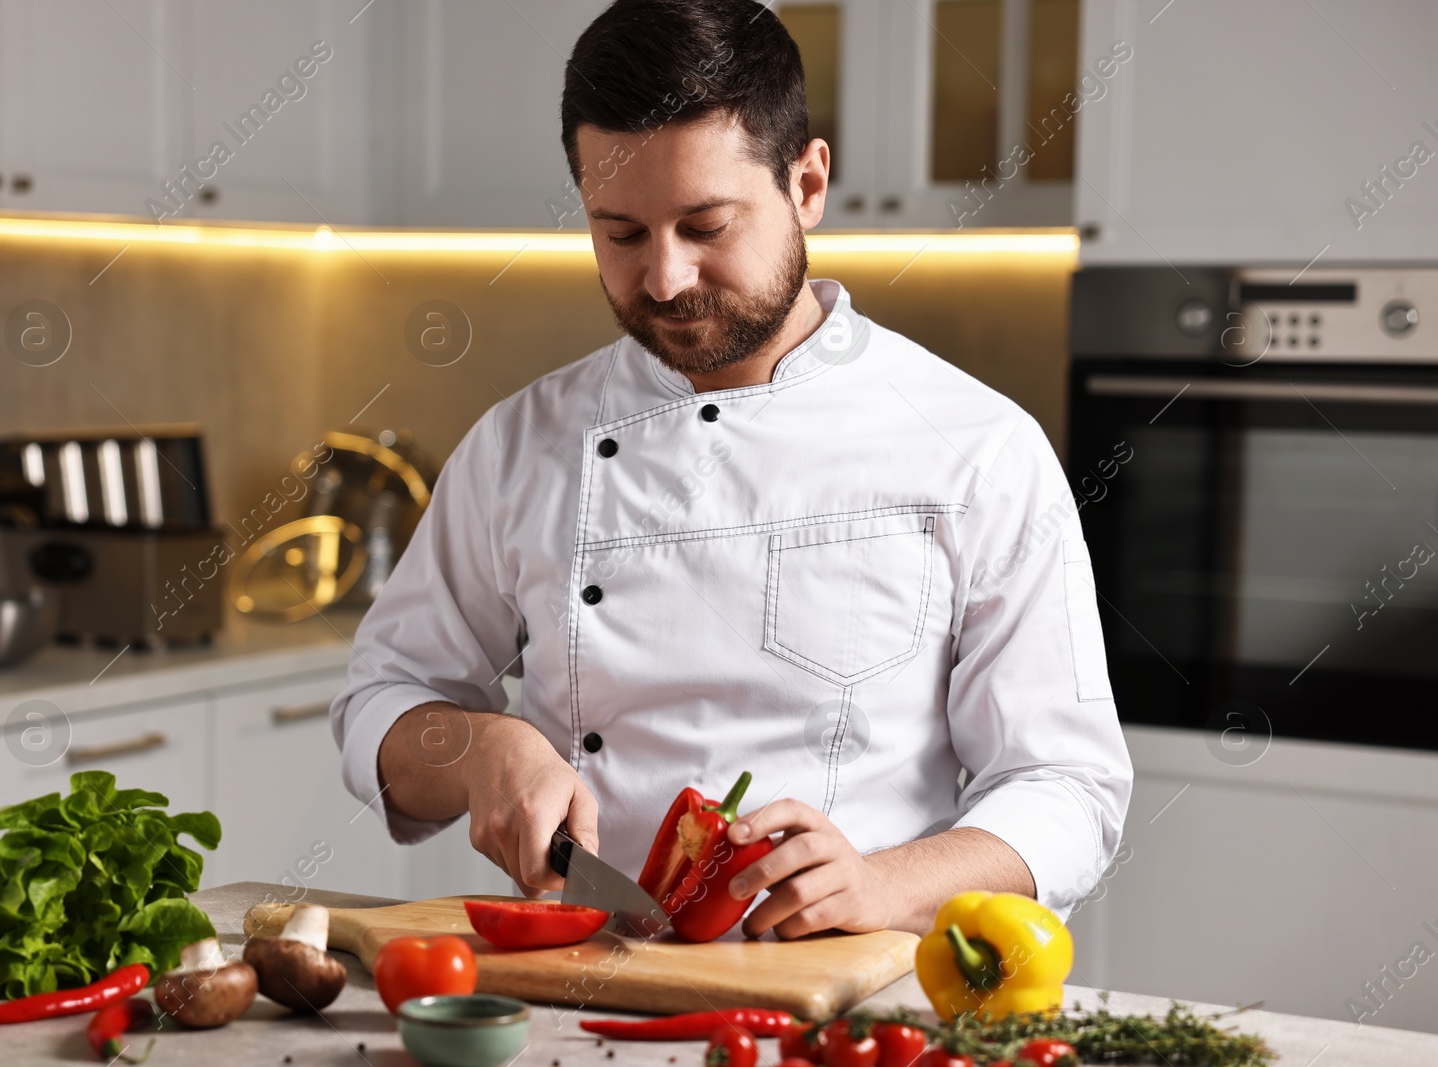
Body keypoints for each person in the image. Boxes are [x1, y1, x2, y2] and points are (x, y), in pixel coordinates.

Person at [331, 0, 1131, 939]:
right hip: (576, 984)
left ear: (808, 184)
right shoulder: (520, 445)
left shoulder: (976, 446)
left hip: (853, 1007)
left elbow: (1066, 784)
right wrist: (481, 747)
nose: (664, 278)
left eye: (706, 225)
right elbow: (379, 701)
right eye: (620, 234)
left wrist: (881, 883)